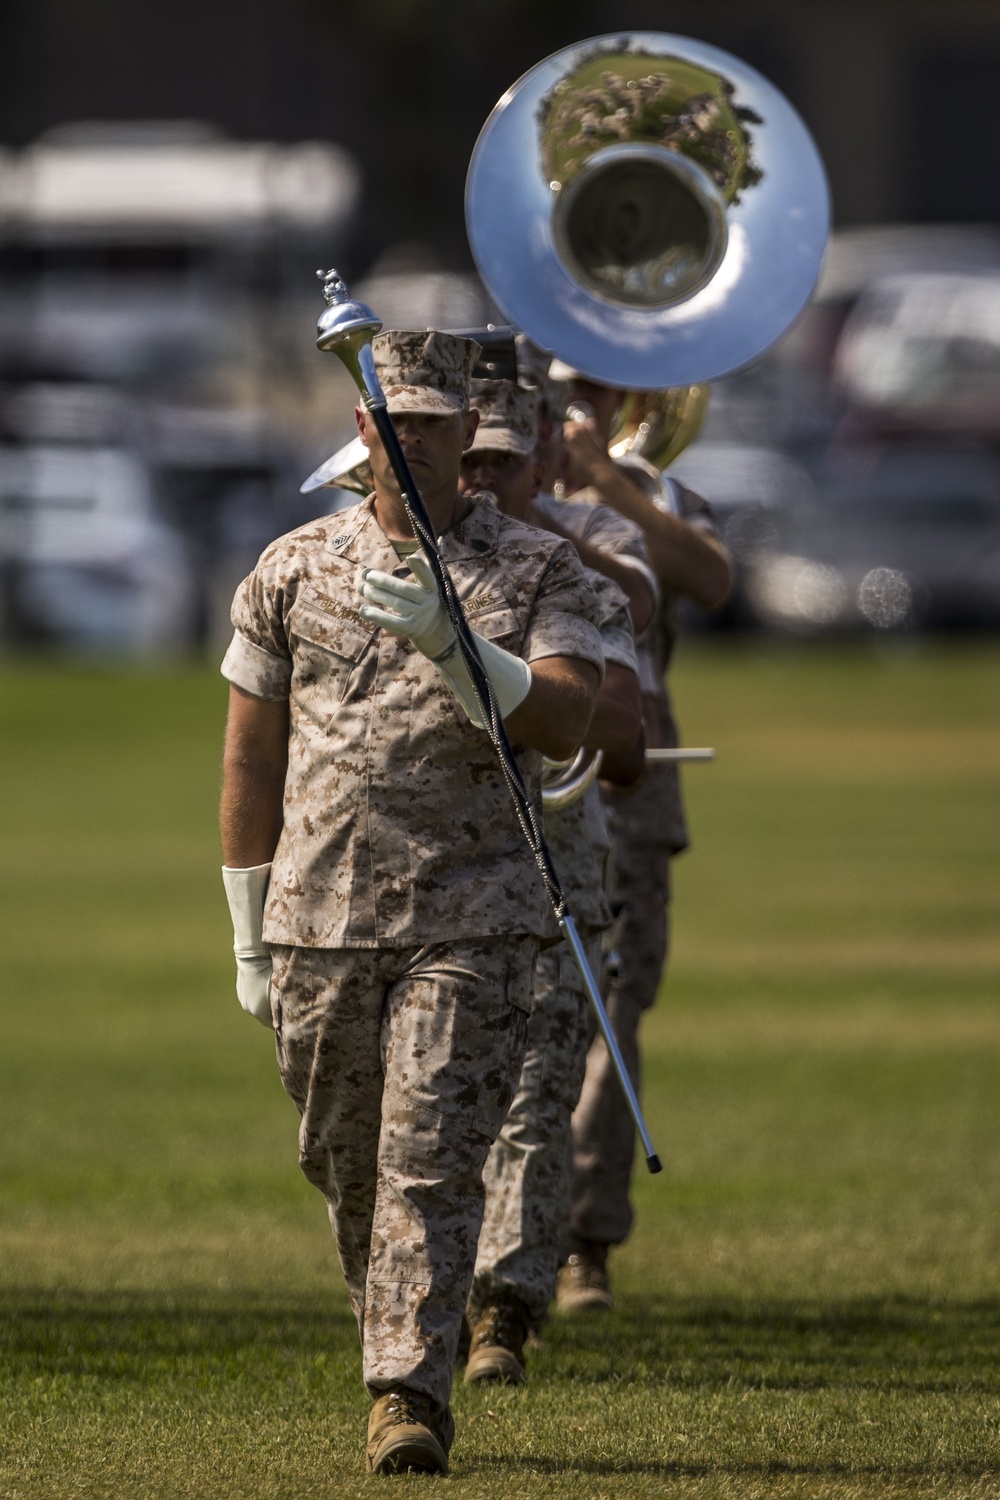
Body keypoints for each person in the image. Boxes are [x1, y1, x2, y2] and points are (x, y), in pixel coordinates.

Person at [218, 330, 606, 1476]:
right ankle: (401, 1330)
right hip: (318, 923)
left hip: (473, 916)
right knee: (346, 1162)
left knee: (430, 1156)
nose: (419, 443)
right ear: (364, 430)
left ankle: (406, 1395)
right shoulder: (291, 567)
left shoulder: (541, 571)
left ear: (467, 435)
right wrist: (247, 930)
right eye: (398, 422)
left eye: (439, 425)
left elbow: (571, 718)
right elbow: (249, 754)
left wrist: (458, 646)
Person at [453, 378, 644, 1384]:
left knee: (534, 1095)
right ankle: (428, 1293)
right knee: (434, 1107)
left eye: (498, 458)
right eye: (466, 458)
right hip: (426, 877)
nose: (482, 477)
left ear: (538, 459)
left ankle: (504, 1310)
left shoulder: (574, 570)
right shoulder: (410, 560)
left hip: (547, 867)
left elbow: (624, 733)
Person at [551, 366, 732, 1314]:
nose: (578, 401)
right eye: (565, 383)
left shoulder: (659, 493)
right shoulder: (502, 482)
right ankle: (507, 1233)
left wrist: (610, 487)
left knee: (611, 1016)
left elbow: (708, 579)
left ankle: (587, 1238)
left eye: (599, 384)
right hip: (532, 774)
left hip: (636, 785)